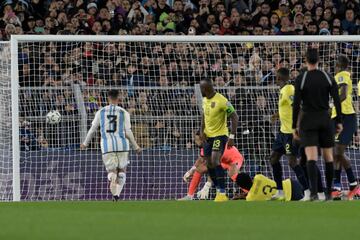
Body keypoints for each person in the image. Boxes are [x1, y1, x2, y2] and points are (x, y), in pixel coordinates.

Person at [292, 48, 343, 201]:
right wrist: (339, 120)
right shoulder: (327, 77)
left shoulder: (301, 78)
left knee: (311, 157)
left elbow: (296, 105)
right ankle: (328, 193)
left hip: (308, 121)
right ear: (319, 60)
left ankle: (314, 193)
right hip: (325, 119)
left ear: (306, 60)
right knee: (328, 156)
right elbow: (337, 100)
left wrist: (294, 125)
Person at [80, 90, 141, 201]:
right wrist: (136, 146)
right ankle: (116, 195)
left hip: (107, 145)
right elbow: (128, 131)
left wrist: (85, 143)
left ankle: (112, 178)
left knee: (112, 171)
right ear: (119, 98)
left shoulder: (101, 112)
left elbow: (92, 129)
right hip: (122, 145)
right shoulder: (124, 112)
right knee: (122, 170)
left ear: (108, 98)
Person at [270, 68, 309, 200]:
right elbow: (287, 109)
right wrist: (277, 115)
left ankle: (308, 192)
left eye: (276, 76)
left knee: (292, 162)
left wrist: (297, 127)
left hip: (290, 133)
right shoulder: (282, 91)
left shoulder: (289, 89)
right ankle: (279, 191)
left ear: (279, 78)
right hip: (282, 132)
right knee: (273, 159)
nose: (275, 79)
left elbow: (299, 109)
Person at [179, 131, 252, 200]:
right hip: (223, 161)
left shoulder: (215, 145)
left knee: (232, 174)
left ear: (203, 138)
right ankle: (189, 195)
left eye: (197, 139)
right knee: (200, 169)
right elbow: (200, 160)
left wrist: (207, 186)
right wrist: (190, 171)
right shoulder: (205, 146)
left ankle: (250, 192)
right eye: (195, 139)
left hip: (234, 159)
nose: (195, 141)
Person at [200, 78, 238, 202]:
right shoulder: (204, 100)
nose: (200, 91)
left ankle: (222, 191)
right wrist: (201, 131)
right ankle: (218, 189)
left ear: (206, 89)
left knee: (215, 160)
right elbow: (204, 116)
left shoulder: (222, 100)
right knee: (209, 164)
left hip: (220, 135)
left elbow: (234, 116)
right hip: (208, 136)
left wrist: (232, 136)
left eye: (201, 88)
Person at [331, 55, 360, 200]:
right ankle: (337, 187)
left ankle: (354, 184)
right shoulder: (340, 76)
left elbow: (342, 94)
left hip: (346, 117)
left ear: (338, 65)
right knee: (336, 152)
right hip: (338, 117)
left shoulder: (341, 75)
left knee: (338, 151)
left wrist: (330, 105)